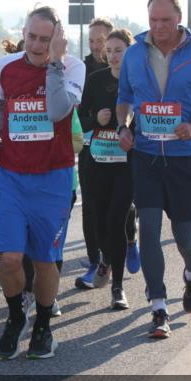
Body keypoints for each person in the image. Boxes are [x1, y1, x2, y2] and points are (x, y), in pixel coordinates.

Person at [115, 0, 191, 338]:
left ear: (178, 19)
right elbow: (124, 98)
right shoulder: (135, 53)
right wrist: (123, 126)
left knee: (184, 236)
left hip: (186, 156)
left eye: (166, 20)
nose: (159, 27)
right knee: (148, 228)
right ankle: (158, 308)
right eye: (153, 20)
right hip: (147, 154)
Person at [0, 6, 85, 360]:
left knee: (44, 260)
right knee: (10, 258)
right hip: (12, 175)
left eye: (45, 38)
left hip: (53, 178)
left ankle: (43, 326)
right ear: (22, 32)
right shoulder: (5, 67)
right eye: (32, 37)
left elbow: (57, 111)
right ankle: (15, 317)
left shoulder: (72, 67)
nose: (37, 45)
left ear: (57, 38)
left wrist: (54, 62)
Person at [78, 28, 136, 310]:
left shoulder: (138, 81)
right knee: (99, 223)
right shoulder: (96, 79)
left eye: (119, 50)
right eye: (109, 50)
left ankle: (118, 287)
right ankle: (105, 259)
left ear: (130, 52)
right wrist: (95, 119)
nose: (112, 56)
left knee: (117, 222)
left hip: (126, 164)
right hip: (97, 162)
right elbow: (79, 119)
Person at [74, 18, 114, 288]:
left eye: (101, 41)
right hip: (90, 147)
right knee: (90, 207)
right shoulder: (83, 69)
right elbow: (77, 116)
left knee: (119, 209)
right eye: (91, 41)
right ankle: (94, 262)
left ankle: (128, 239)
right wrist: (94, 121)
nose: (97, 46)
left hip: (121, 151)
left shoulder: (126, 67)